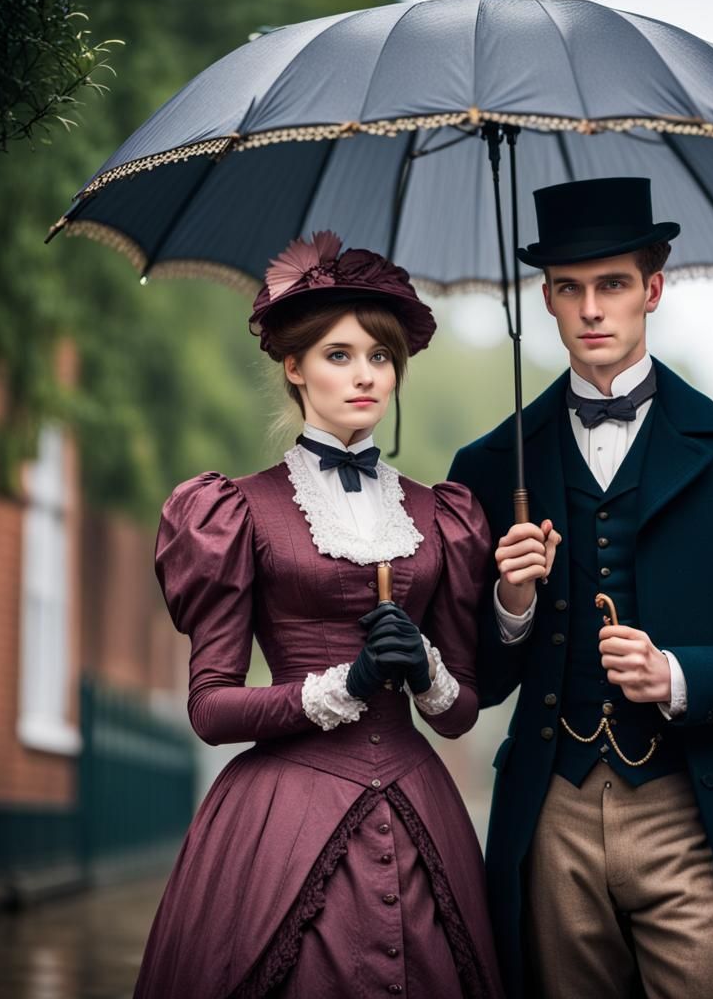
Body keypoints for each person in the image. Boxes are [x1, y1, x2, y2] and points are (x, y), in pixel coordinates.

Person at [448, 178, 713, 999]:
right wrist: (511, 606)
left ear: (652, 288)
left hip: (689, 810)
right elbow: (471, 685)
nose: (592, 309)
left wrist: (681, 676)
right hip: (549, 813)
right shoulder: (488, 469)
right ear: (546, 298)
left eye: (613, 284)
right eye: (569, 288)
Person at [135, 231, 505, 999]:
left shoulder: (442, 515)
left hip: (420, 808)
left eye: (380, 356)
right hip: (281, 822)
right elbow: (210, 707)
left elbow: (462, 711)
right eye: (339, 355)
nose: (365, 375)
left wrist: (423, 666)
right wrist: (344, 682)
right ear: (294, 367)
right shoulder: (236, 510)